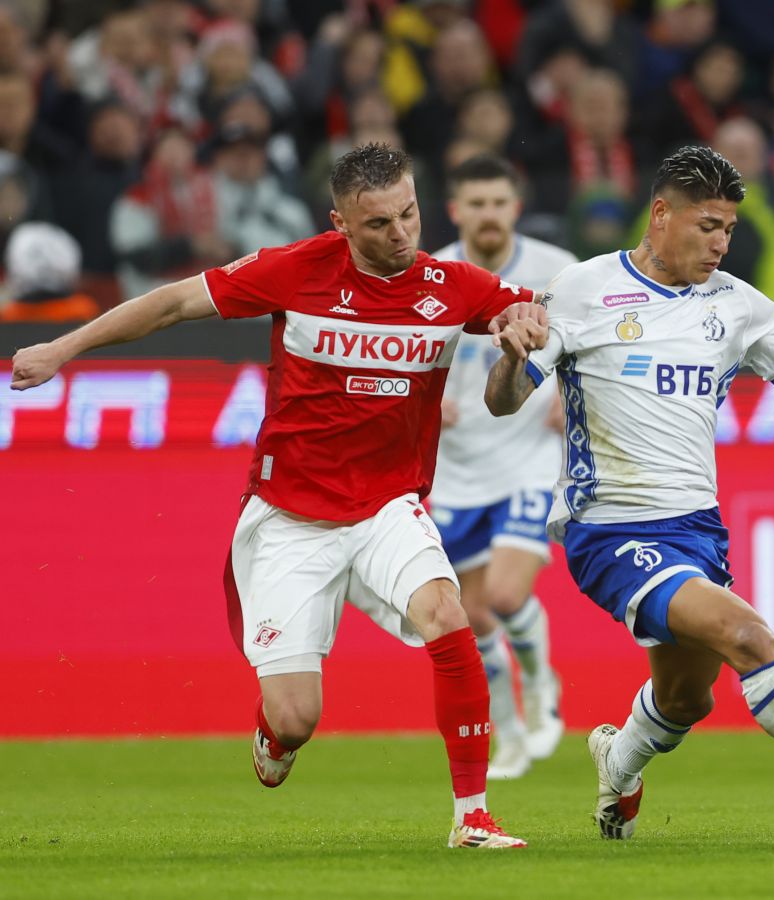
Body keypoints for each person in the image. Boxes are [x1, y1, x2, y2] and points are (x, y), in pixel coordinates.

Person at [9, 143, 545, 850]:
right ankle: (276, 736)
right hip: (291, 515)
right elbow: (173, 303)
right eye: (379, 223)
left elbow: (514, 369)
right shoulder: (295, 269)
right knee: (297, 717)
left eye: (409, 214)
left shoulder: (455, 285)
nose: (400, 234)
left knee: (448, 614)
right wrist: (62, 349)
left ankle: (472, 816)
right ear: (340, 223)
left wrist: (520, 339)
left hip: (388, 505)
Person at [483, 146, 774, 843]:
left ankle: (618, 761)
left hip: (696, 530)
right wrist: (513, 359)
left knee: (684, 700)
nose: (721, 243)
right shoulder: (581, 289)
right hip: (610, 530)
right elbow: (504, 401)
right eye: (707, 226)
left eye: (728, 228)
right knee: (748, 636)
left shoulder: (739, 305)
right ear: (661, 214)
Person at [430, 154, 577, 779]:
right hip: (456, 469)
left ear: (515, 208)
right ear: (456, 211)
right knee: (475, 617)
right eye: (476, 204)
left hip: (530, 457)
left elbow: (589, 343)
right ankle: (510, 734)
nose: (488, 214)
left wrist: (571, 397)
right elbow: (405, 357)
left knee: (507, 594)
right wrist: (425, 403)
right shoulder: (431, 275)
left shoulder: (557, 272)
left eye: (498, 202)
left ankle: (542, 683)